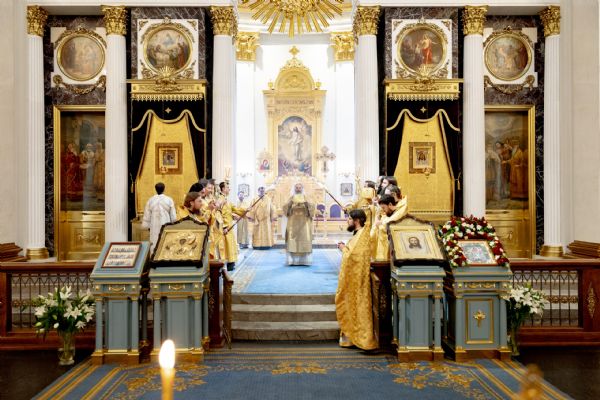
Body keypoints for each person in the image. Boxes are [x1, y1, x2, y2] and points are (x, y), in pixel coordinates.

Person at [335, 209, 378, 350]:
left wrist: (343, 248)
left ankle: (360, 338)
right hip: (354, 280)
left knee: (356, 306)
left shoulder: (361, 235)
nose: (347, 221)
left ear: (357, 220)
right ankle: (351, 337)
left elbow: (353, 257)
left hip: (358, 282)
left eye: (349, 219)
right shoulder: (359, 234)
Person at [283, 183, 315, 265]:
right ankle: (292, 260)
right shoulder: (291, 198)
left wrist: (306, 204)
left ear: (302, 189)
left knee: (305, 237)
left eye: (299, 187)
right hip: (293, 222)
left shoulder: (306, 197)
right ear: (294, 189)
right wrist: (290, 203)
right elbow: (285, 208)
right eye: (296, 188)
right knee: (292, 239)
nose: (298, 189)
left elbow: (312, 207)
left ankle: (304, 260)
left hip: (304, 222)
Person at [216, 182, 246, 271]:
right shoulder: (220, 199)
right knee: (227, 245)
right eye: (227, 187)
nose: (229, 189)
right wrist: (224, 227)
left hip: (229, 225)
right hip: (225, 227)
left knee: (230, 244)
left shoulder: (226, 199)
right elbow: (220, 214)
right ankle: (228, 264)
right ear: (223, 189)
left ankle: (231, 263)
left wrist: (246, 210)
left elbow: (235, 209)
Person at [141, 182, 177, 253]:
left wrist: (148, 226)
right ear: (164, 189)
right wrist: (173, 224)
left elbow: (147, 215)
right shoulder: (169, 200)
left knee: (154, 241)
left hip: (154, 225)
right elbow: (173, 216)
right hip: (166, 224)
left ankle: (153, 256)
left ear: (155, 189)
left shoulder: (150, 200)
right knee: (165, 241)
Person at [371, 194, 408, 261]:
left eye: (383, 208)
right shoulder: (388, 213)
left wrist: (379, 223)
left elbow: (386, 225)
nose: (383, 210)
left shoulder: (399, 213)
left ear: (390, 204)